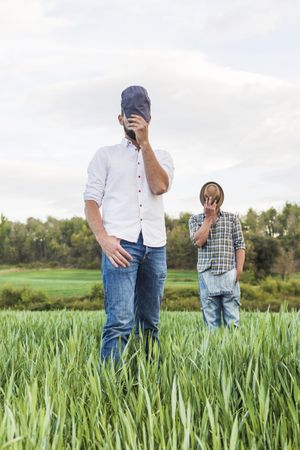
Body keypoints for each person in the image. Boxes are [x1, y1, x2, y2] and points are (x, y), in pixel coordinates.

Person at [83, 85, 174, 363]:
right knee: (119, 322)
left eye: (141, 117)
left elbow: (159, 186)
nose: (135, 121)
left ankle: (149, 385)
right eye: (130, 116)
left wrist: (145, 143)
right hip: (119, 247)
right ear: (120, 119)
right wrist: (104, 239)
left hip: (155, 248)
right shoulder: (105, 155)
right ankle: (109, 393)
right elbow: (90, 202)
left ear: (149, 119)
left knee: (150, 324)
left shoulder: (163, 156)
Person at [188, 182, 245, 329]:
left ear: (218, 200)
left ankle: (232, 352)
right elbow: (199, 242)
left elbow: (240, 245)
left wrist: (239, 270)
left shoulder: (232, 219)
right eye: (208, 200)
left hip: (229, 275)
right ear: (204, 200)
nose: (211, 202)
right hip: (207, 276)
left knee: (233, 322)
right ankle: (214, 352)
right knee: (211, 324)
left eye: (213, 200)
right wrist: (208, 218)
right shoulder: (194, 220)